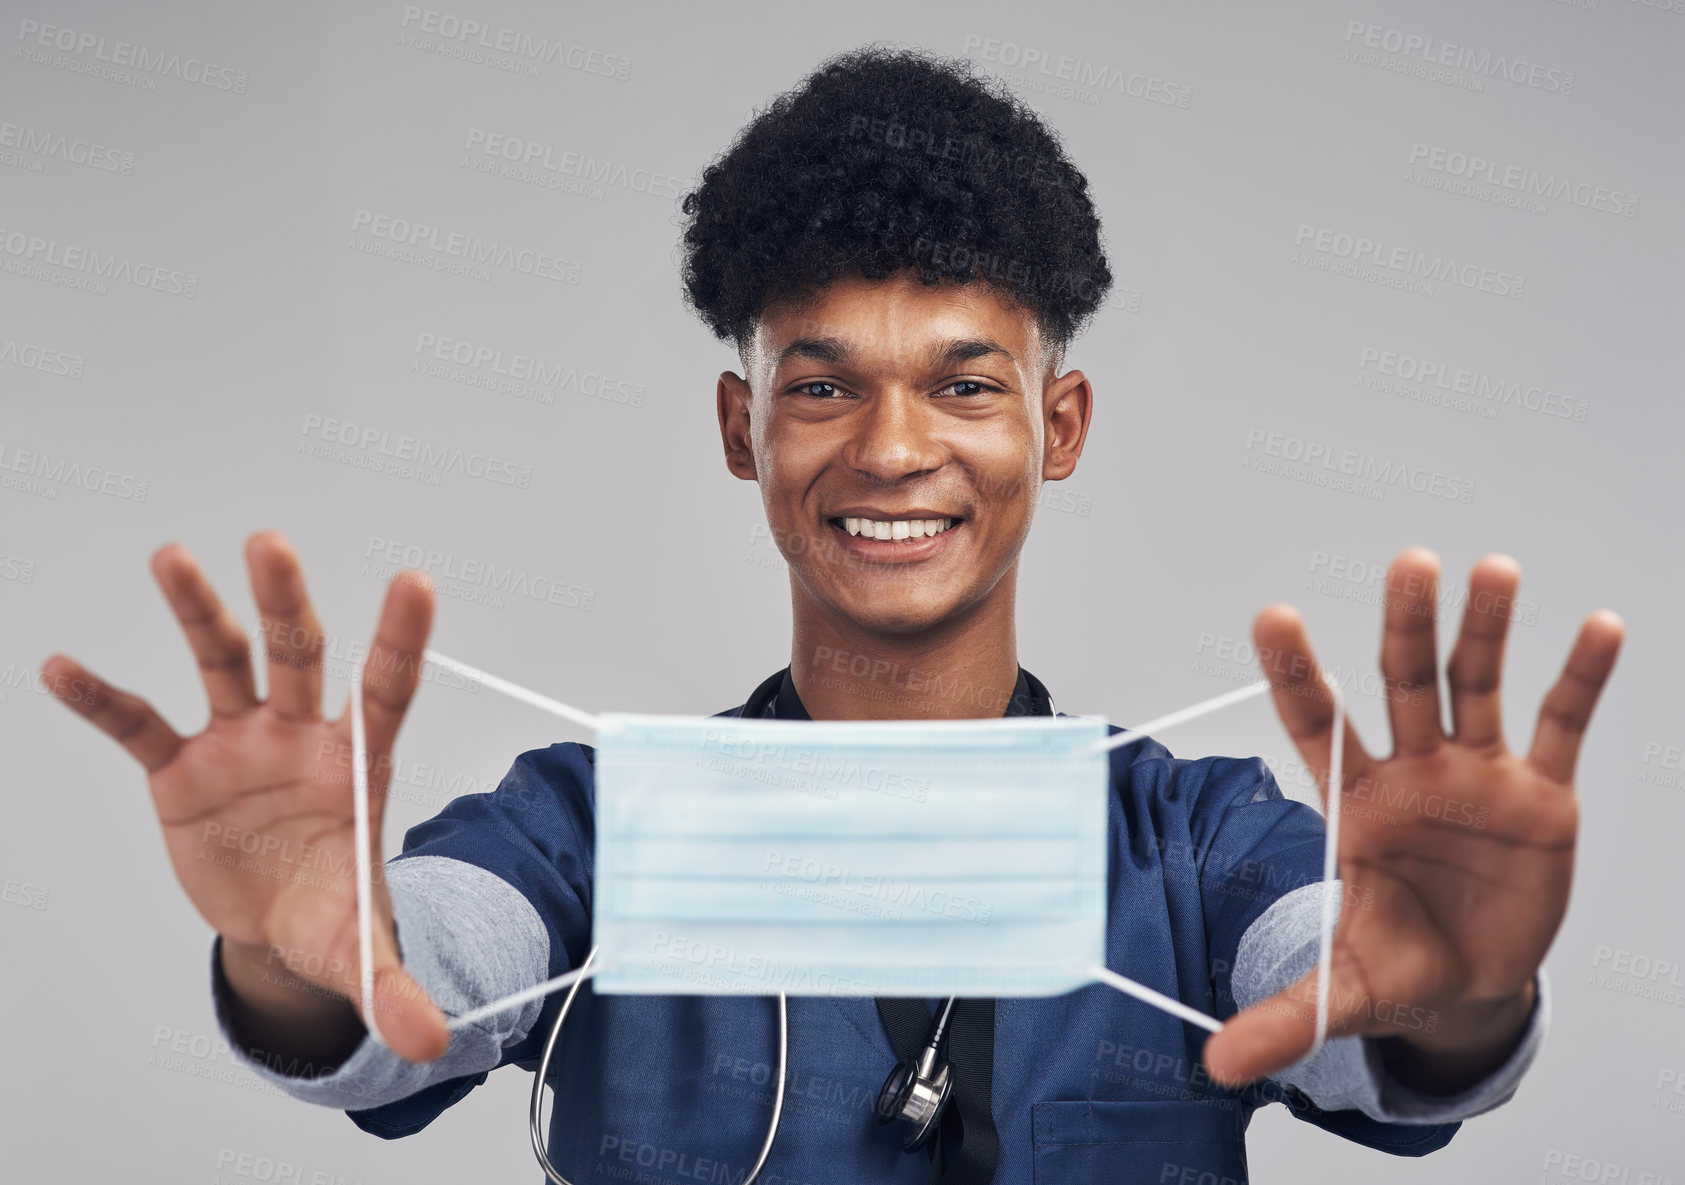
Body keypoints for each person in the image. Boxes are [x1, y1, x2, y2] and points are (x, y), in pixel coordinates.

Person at [42, 44, 1623, 1185]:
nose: (889, 449)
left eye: (962, 382)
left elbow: (1357, 1008)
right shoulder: (590, 828)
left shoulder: (1197, 843)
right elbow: (412, 988)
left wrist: (1456, 990)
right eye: (820, 387)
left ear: (1055, 428)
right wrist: (303, 952)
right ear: (743, 431)